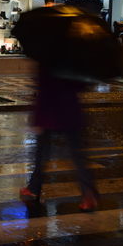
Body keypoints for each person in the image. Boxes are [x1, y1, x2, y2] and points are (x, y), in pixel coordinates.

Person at [19, 66, 100, 212]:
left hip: (50, 110)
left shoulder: (49, 59)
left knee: (42, 152)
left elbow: (44, 87)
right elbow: (82, 83)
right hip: (71, 108)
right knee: (77, 155)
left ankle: (33, 188)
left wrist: (36, 117)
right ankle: (88, 194)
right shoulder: (72, 57)